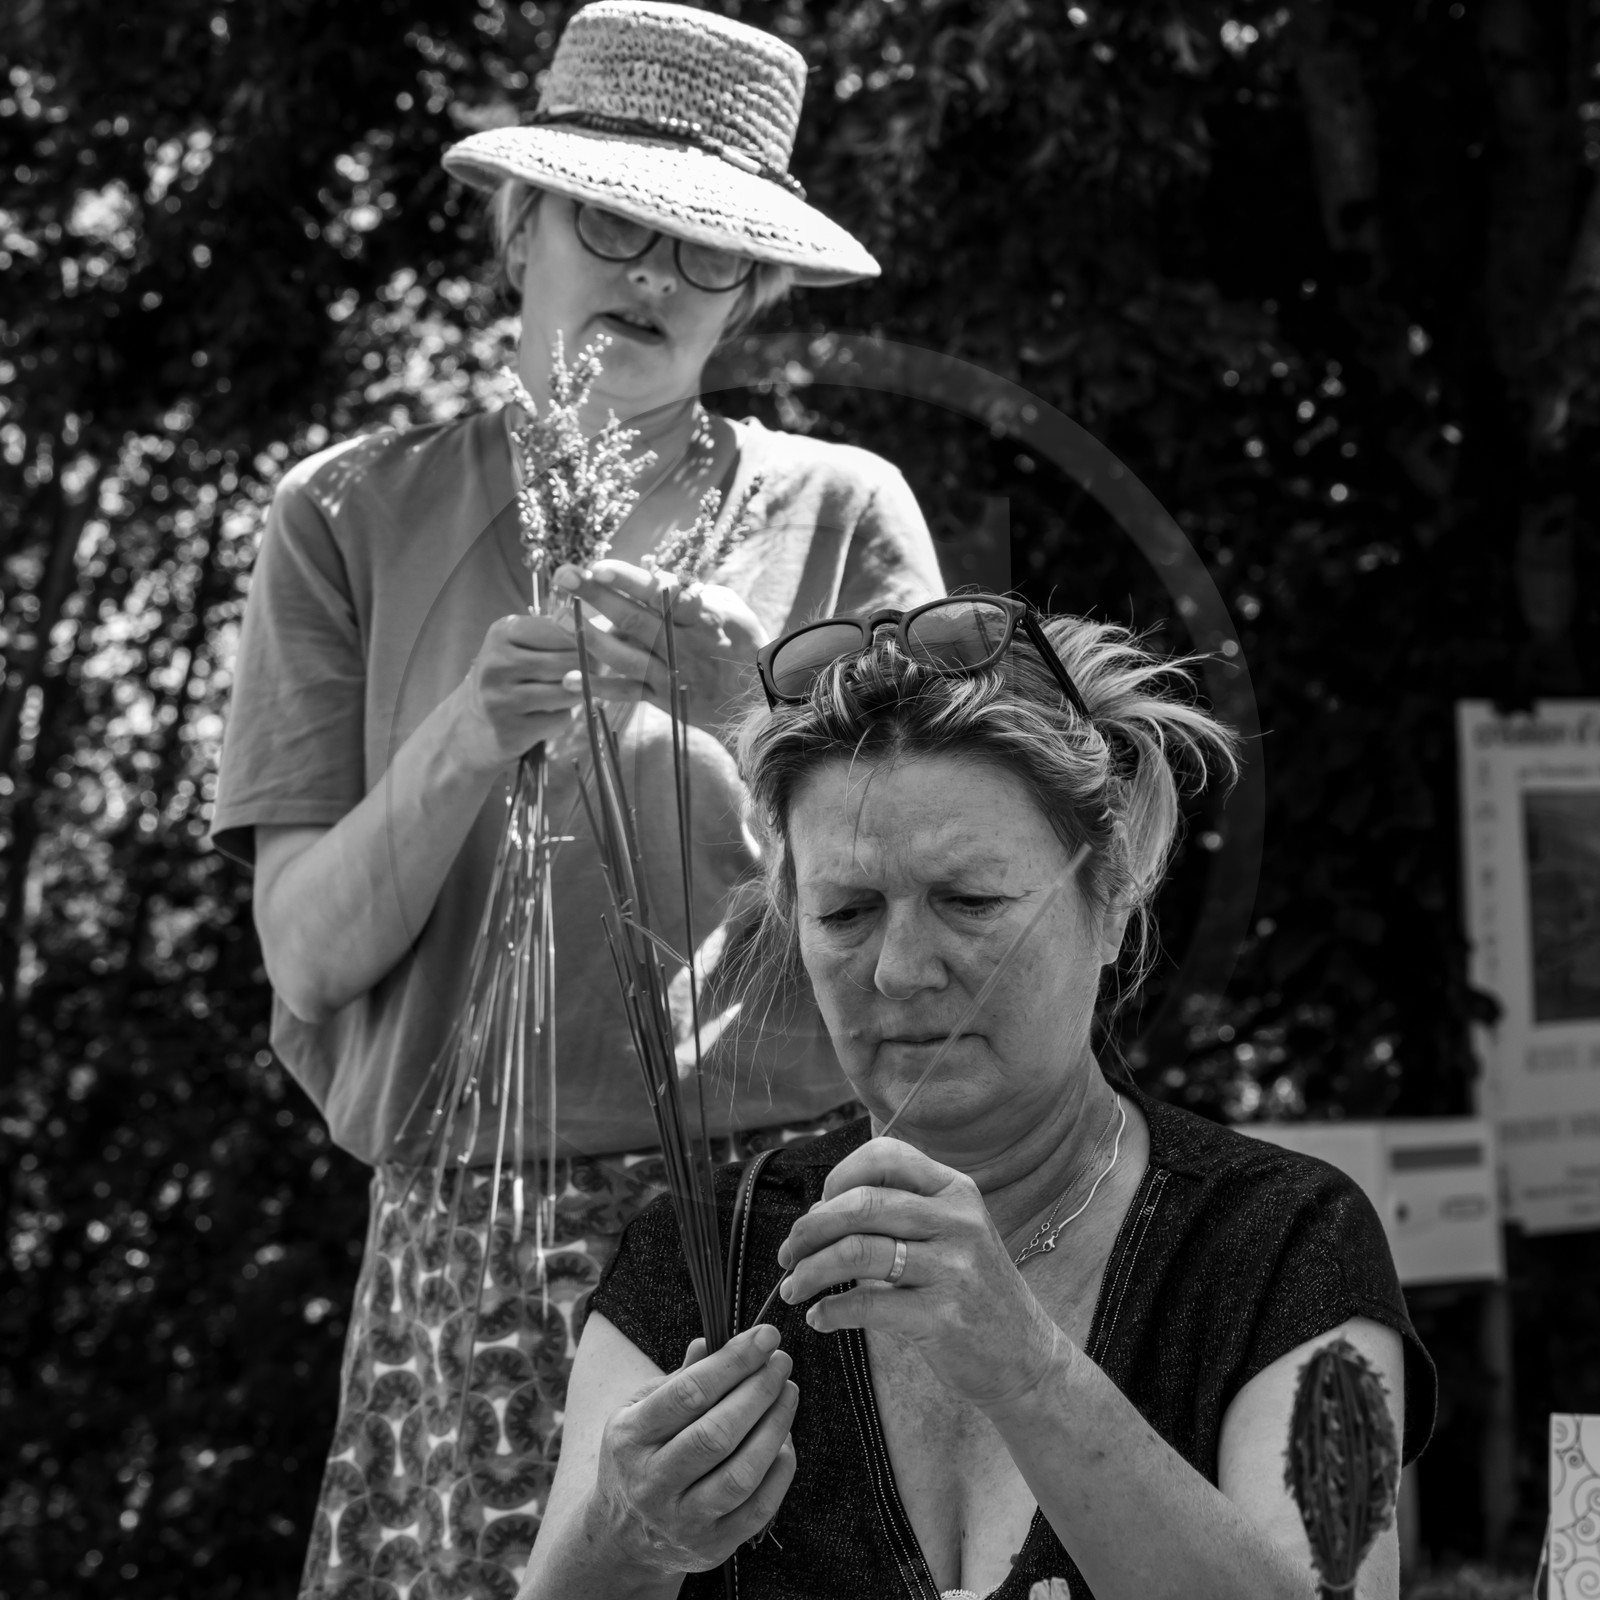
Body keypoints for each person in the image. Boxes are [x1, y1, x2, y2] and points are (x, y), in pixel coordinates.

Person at [209, 4, 943, 1594]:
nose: (655, 274)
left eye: (709, 247)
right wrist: (470, 733)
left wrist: (751, 717)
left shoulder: (843, 514)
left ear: (752, 287)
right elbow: (307, 960)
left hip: (780, 1228)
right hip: (472, 1251)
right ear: (519, 225)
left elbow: (923, 929)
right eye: (613, 218)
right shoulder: (347, 513)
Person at [531, 597, 1436, 1600]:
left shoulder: (1288, 1244)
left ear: (1111, 896)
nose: (901, 969)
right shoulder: (703, 1255)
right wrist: (622, 1536)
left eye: (969, 902)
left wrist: (1030, 1371)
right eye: (847, 912)